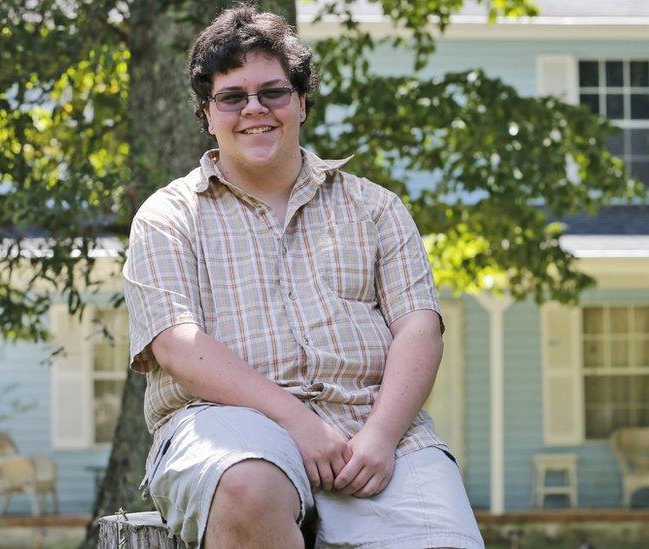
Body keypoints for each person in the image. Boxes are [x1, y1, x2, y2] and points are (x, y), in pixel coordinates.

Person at [122, 4, 483, 549]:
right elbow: (177, 345)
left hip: (373, 428)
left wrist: (382, 436)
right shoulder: (168, 216)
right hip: (224, 423)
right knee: (246, 487)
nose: (254, 110)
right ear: (207, 112)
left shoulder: (376, 207)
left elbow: (419, 329)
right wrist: (298, 422)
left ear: (302, 101)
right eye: (232, 97)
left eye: (273, 92)